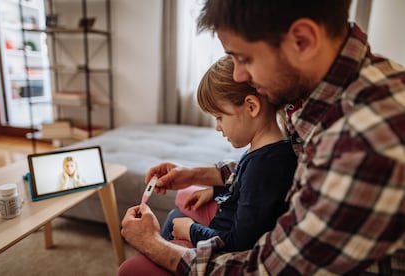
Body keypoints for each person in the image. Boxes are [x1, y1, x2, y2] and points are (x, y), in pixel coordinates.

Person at [120, 0, 405, 274]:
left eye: (244, 58)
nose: (238, 75)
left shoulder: (364, 143)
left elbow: (262, 270)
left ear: (302, 40)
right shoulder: (312, 95)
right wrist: (197, 175)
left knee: (132, 269)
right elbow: (273, 172)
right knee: (186, 196)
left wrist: (152, 243)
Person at [157, 55, 297, 251]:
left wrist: (192, 231)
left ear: (251, 107)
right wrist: (215, 191)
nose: (217, 127)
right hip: (227, 216)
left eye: (219, 117)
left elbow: (239, 243)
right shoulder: (269, 148)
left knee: (133, 266)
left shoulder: (264, 166)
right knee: (181, 203)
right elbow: (250, 192)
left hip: (224, 243)